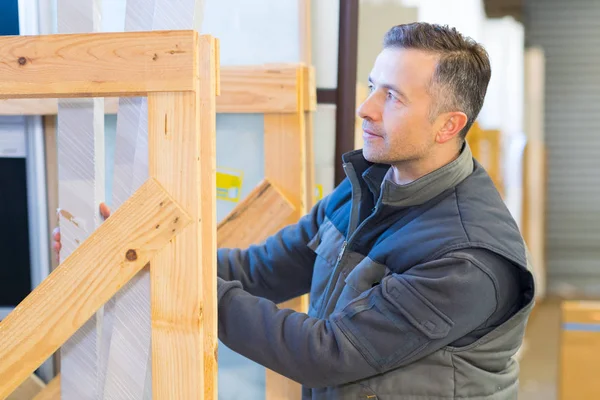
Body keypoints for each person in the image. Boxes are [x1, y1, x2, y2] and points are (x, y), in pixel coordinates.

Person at [54, 22, 534, 399]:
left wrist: (170, 276)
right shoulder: (365, 191)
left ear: (448, 125)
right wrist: (137, 251)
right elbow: (259, 271)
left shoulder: (468, 259)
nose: (365, 108)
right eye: (373, 86)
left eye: (391, 97)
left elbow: (324, 352)